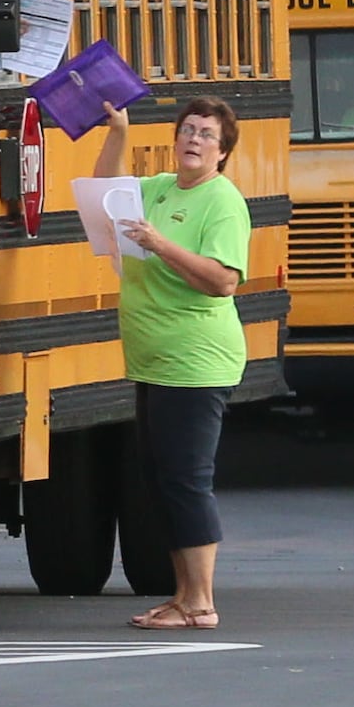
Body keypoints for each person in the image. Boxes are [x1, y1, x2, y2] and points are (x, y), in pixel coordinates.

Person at [91, 93, 255, 629]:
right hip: (154, 360)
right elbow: (102, 197)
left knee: (186, 479)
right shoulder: (160, 188)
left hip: (196, 359)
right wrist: (117, 133)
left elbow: (223, 281)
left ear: (222, 152)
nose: (194, 139)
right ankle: (181, 595)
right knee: (159, 480)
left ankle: (201, 602)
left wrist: (161, 245)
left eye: (207, 134)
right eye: (188, 129)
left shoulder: (222, 201)